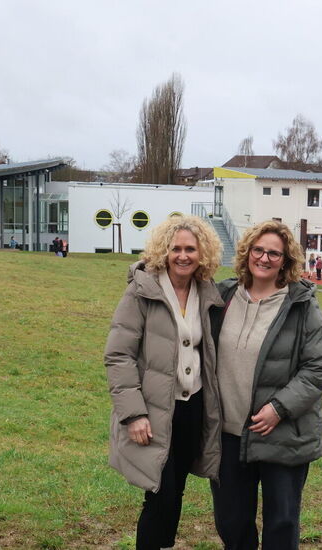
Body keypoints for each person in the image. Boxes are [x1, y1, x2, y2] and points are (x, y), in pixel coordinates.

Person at [104, 214, 225, 550]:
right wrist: (133, 414)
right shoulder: (143, 291)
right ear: (163, 251)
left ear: (203, 254)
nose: (183, 256)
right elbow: (118, 355)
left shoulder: (206, 292)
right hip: (154, 411)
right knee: (160, 493)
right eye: (176, 249)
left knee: (176, 493)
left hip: (192, 409)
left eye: (190, 249)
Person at [210, 220, 322, 550]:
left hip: (282, 433)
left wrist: (279, 408)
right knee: (232, 523)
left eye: (274, 254)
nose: (264, 258)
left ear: (286, 260)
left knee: (281, 522)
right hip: (229, 433)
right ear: (247, 252)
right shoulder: (222, 296)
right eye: (258, 250)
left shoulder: (301, 305)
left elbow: (318, 369)